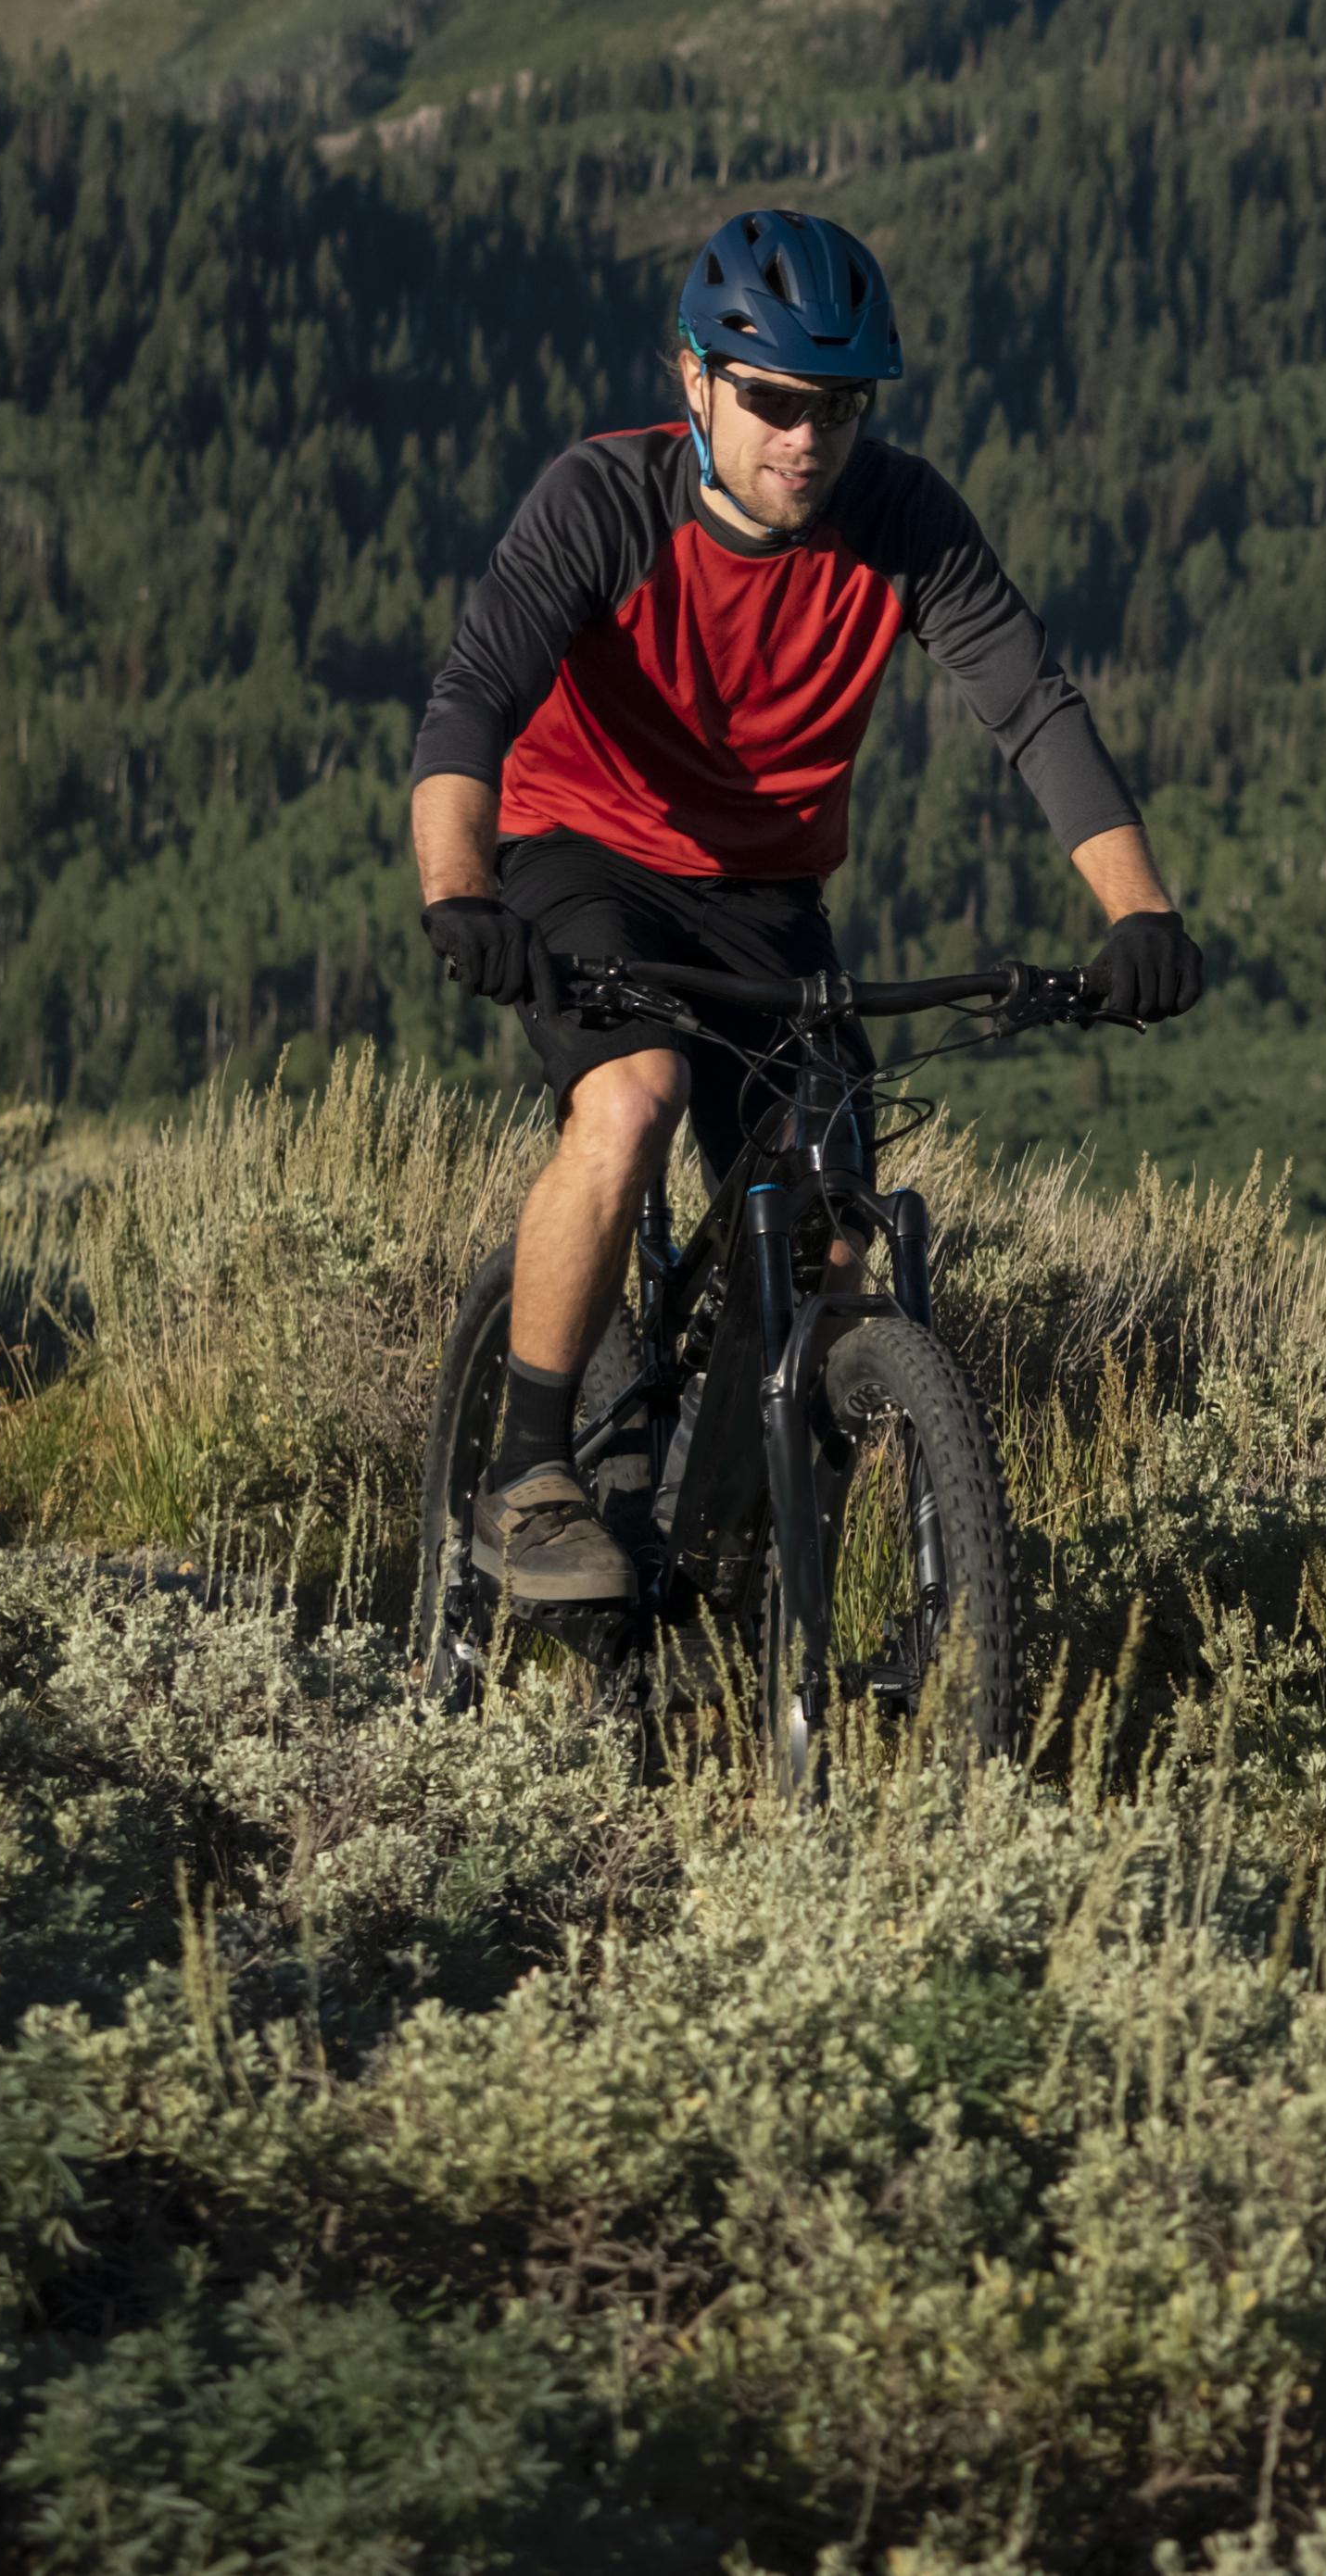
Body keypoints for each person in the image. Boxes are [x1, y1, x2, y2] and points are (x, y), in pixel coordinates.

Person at [408, 204, 1200, 1602]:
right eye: (773, 401)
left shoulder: (900, 521)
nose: (806, 438)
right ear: (694, 379)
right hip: (584, 855)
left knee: (833, 1222)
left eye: (836, 408)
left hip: (769, 899)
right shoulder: (603, 501)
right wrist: (460, 888)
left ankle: (719, 1560)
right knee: (633, 1098)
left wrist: (1141, 914)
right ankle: (529, 1470)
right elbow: (472, 698)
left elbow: (1028, 705)